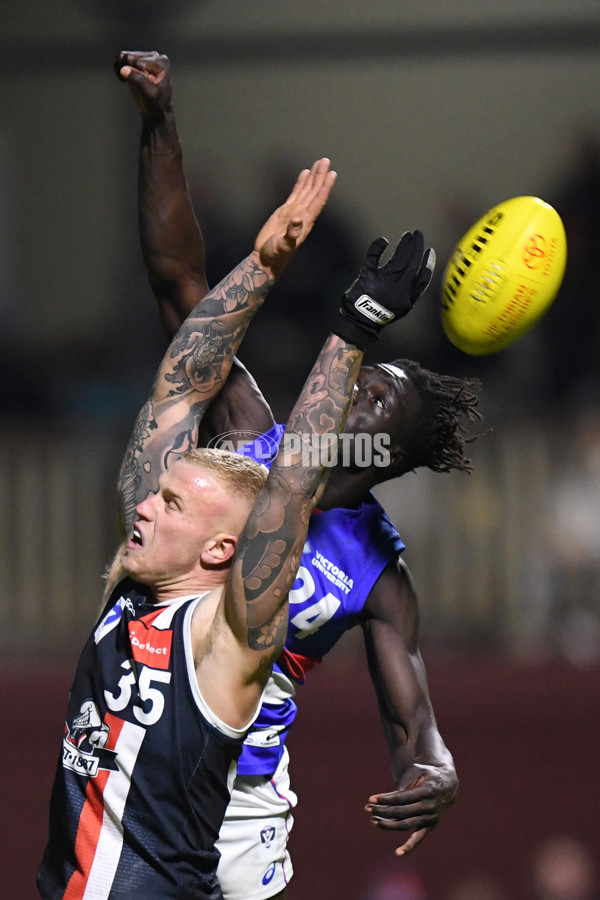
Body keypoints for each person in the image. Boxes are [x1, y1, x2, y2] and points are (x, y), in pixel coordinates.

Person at [115, 50, 480, 900]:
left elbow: (417, 727)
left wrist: (437, 771)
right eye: (362, 375)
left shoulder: (378, 574)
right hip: (143, 748)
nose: (356, 392)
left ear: (392, 454)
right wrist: (160, 126)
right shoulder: (247, 433)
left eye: (380, 399)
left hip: (242, 812)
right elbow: (181, 285)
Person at [37, 154, 393, 899]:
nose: (142, 504)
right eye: (159, 494)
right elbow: (180, 382)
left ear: (224, 548)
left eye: (169, 505)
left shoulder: (227, 642)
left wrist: (352, 329)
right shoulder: (133, 586)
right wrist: (263, 263)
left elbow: (292, 487)